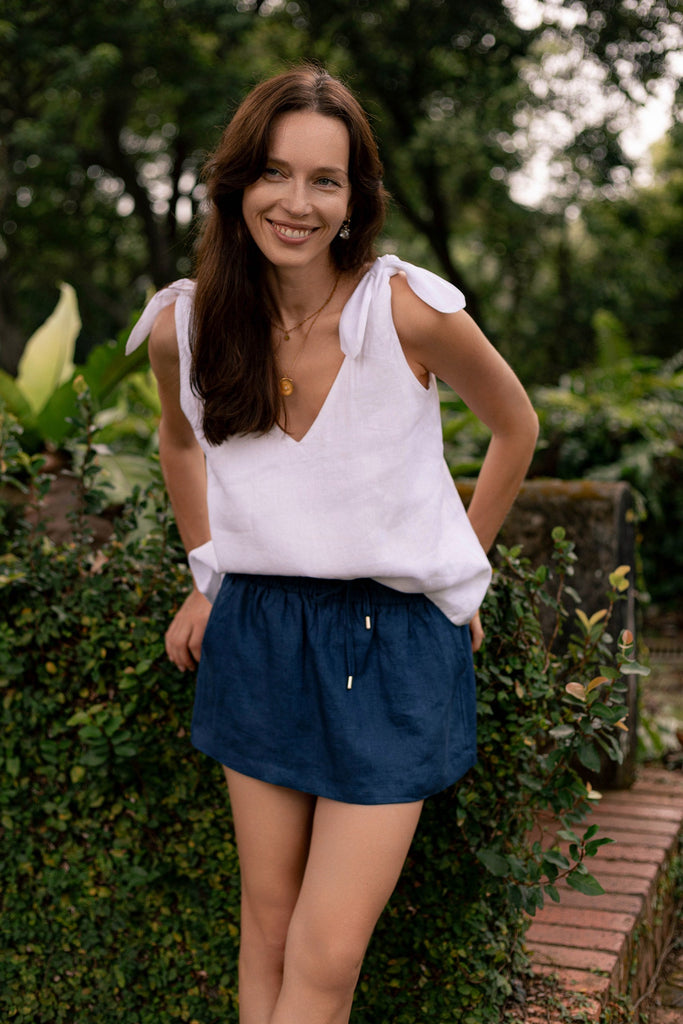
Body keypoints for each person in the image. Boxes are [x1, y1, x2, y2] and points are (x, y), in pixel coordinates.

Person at [126, 66, 539, 1024]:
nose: (297, 202)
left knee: (323, 952)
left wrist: (456, 581)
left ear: (356, 199)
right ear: (236, 184)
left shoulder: (406, 311)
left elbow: (515, 428)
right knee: (267, 927)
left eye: (326, 179)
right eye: (275, 173)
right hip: (259, 631)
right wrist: (205, 572)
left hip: (392, 646)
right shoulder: (185, 325)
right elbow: (179, 440)